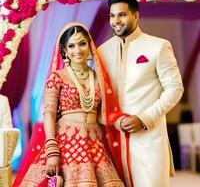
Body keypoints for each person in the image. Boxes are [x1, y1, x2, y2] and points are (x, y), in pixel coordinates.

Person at [14, 22, 135, 186]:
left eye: (82, 44)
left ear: (90, 46)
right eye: (71, 46)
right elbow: (49, 113)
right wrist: (51, 150)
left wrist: (120, 120)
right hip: (66, 142)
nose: (77, 50)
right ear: (64, 50)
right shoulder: (57, 77)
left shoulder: (99, 77)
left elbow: (105, 113)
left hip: (94, 143)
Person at [98, 0, 184, 187]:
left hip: (148, 138)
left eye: (122, 15)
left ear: (136, 16)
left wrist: (145, 118)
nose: (116, 21)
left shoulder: (158, 46)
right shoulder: (102, 51)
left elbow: (174, 89)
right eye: (112, 16)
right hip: (113, 138)